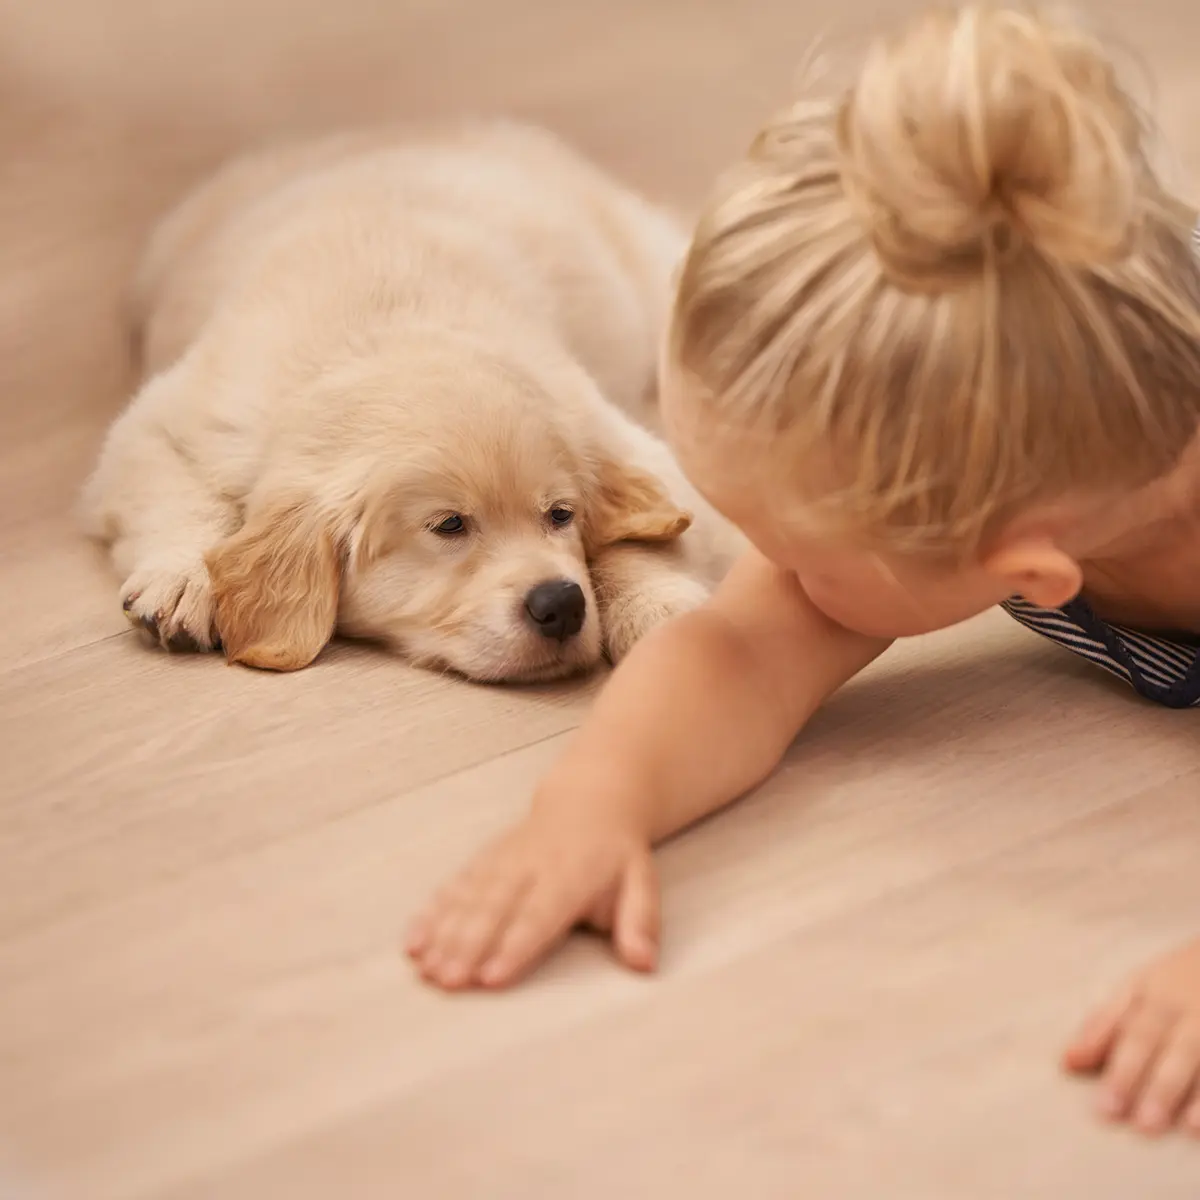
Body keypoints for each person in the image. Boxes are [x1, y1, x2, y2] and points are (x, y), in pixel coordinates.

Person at [406, 3, 1200, 1135]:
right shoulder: (1044, 422)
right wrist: (593, 805)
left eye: (795, 551)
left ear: (1028, 568)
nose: (760, 571)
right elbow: (738, 650)